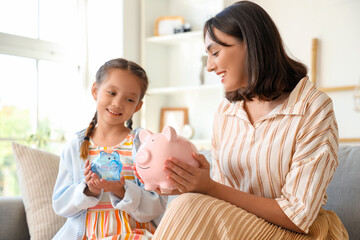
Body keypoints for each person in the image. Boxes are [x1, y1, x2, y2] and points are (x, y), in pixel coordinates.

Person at [152, 1, 349, 239]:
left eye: (215, 52)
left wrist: (211, 188)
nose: (210, 66)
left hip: (301, 233)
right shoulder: (225, 112)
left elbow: (299, 216)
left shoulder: (312, 108)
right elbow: (221, 199)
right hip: (238, 227)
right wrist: (192, 184)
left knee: (188, 205)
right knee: (187, 201)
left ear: (252, 45)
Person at [52, 58, 167, 240]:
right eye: (111, 92)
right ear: (95, 90)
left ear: (137, 106)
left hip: (133, 235)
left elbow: (156, 206)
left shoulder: (143, 144)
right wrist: (88, 190)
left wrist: (121, 190)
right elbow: (61, 205)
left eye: (129, 99)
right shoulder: (76, 146)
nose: (117, 103)